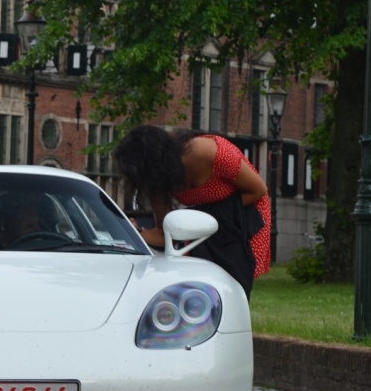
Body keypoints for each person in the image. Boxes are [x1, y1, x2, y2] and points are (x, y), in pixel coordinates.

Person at [113, 125, 271, 295]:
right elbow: (165, 235)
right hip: (204, 223)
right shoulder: (159, 179)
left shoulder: (212, 153)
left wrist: (210, 214)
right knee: (200, 289)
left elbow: (258, 190)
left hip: (244, 216)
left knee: (231, 286)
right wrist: (135, 232)